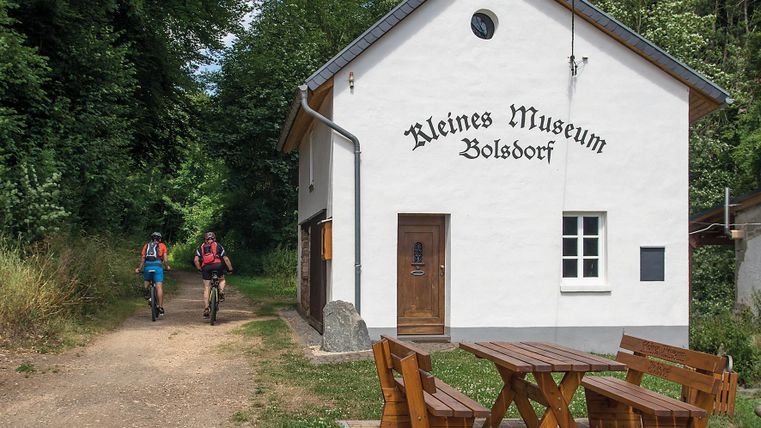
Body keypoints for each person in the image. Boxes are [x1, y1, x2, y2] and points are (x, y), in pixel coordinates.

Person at [194, 231, 233, 318]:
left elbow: (196, 260)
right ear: (214, 239)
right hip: (218, 266)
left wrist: (199, 268)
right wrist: (230, 269)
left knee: (207, 287)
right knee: (222, 279)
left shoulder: (201, 247)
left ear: (205, 239)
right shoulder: (218, 246)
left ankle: (206, 307)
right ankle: (221, 291)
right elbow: (226, 259)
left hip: (206, 267)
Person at [135, 232, 170, 315]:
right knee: (159, 287)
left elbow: (143, 259)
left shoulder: (146, 246)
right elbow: (165, 260)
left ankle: (147, 293)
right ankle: (160, 307)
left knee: (146, 280)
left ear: (152, 239)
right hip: (157, 267)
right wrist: (167, 267)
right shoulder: (162, 246)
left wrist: (139, 269)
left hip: (147, 267)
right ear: (160, 239)